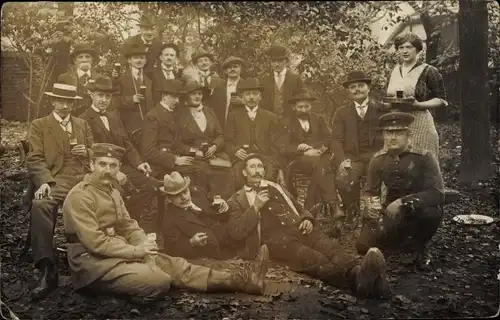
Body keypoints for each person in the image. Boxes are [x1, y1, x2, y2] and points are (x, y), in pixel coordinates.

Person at [62, 143, 270, 302]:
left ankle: (244, 281)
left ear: (118, 168)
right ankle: (112, 290)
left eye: (113, 165)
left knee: (175, 265)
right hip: (92, 263)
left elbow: (128, 224)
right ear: (91, 165)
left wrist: (144, 243)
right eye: (102, 164)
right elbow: (95, 242)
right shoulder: (80, 196)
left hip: (118, 252)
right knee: (158, 280)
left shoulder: (113, 192)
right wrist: (137, 252)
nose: (107, 170)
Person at [226, 154, 390, 298]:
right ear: (244, 172)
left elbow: (299, 207)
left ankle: (360, 271)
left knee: (331, 248)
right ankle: (357, 281)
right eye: (252, 167)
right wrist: (255, 207)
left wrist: (307, 219)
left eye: (260, 166)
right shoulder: (237, 199)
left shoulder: (276, 187)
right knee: (314, 258)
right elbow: (236, 232)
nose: (257, 170)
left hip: (300, 229)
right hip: (277, 242)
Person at [26, 83, 94, 301]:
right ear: (53, 101)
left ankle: (95, 261)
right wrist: (45, 182)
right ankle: (47, 268)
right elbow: (34, 158)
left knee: (109, 195)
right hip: (56, 180)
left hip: (83, 179)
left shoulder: (82, 124)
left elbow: (96, 151)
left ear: (74, 103)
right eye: (61, 101)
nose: (65, 106)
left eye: (70, 102)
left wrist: (88, 152)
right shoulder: (39, 125)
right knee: (41, 204)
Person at [356, 112, 445, 268]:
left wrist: (402, 202)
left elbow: (437, 193)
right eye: (389, 132)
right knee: (363, 245)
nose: (393, 137)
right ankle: (400, 238)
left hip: (418, 208)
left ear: (408, 135)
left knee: (431, 212)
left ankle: (420, 245)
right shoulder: (378, 160)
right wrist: (370, 207)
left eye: (399, 132)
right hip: (391, 210)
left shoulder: (424, 157)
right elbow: (370, 191)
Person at [79, 75, 154, 221]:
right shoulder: (84, 119)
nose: (103, 100)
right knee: (120, 193)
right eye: (100, 95)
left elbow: (126, 143)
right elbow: (90, 152)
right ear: (92, 95)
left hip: (122, 166)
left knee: (149, 186)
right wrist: (114, 172)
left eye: (107, 97)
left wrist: (139, 163)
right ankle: (115, 227)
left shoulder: (113, 116)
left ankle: (131, 224)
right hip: (102, 170)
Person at [331, 71, 386, 226]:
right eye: (353, 87)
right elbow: (336, 140)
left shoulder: (382, 109)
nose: (357, 90)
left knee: (377, 180)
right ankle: (352, 209)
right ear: (349, 91)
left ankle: (374, 213)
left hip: (376, 157)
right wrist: (342, 161)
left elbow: (388, 136)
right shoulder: (341, 113)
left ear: (368, 88)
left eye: (361, 86)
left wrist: (383, 155)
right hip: (352, 158)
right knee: (342, 179)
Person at [280, 91, 342, 218]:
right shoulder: (286, 122)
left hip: (318, 157)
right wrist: (299, 148)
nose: (304, 110)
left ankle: (309, 211)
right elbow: (283, 147)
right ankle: (333, 205)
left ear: (310, 106)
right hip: (298, 161)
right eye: (300, 107)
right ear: (294, 107)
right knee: (322, 165)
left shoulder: (319, 119)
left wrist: (316, 148)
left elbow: (328, 137)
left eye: (307, 106)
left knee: (320, 166)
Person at [385, 32, 448, 158]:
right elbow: (387, 96)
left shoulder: (429, 71)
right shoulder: (394, 71)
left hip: (420, 122)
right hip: (397, 124)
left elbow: (441, 100)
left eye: (409, 47)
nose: (404, 51)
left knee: (420, 162)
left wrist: (419, 105)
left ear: (418, 49)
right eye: (401, 48)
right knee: (396, 164)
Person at [175, 81, 234, 199]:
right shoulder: (180, 114)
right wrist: (193, 152)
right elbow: (176, 142)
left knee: (227, 172)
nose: (197, 96)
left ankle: (224, 205)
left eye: (200, 94)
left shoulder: (209, 111)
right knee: (205, 173)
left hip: (214, 155)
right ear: (187, 96)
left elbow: (220, 135)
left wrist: (215, 146)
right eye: (194, 94)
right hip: (193, 158)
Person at [161, 172, 238, 260]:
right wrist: (191, 242)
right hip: (217, 250)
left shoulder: (198, 195)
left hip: (230, 233)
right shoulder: (169, 219)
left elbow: (217, 212)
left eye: (185, 192)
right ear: (169, 199)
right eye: (177, 195)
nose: (184, 197)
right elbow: (170, 249)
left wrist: (224, 207)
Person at [224, 78, 284, 189]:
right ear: (242, 97)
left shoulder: (271, 117)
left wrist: (277, 165)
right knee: (238, 179)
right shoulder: (234, 116)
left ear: (260, 97)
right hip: (242, 159)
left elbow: (277, 145)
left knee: (268, 180)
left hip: (265, 158)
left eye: (255, 94)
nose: (251, 97)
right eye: (247, 94)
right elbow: (227, 141)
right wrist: (235, 150)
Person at [140, 79, 189, 177]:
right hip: (159, 166)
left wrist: (192, 151)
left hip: (172, 159)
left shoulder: (171, 113)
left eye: (178, 97)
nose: (177, 101)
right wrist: (174, 159)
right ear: (164, 96)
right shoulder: (153, 116)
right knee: (199, 170)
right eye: (174, 97)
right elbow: (148, 151)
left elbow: (174, 142)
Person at [117, 43, 154, 135]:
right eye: (136, 58)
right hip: (129, 126)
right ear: (129, 60)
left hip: (148, 126)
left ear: (145, 61)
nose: (139, 60)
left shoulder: (149, 80)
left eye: (142, 58)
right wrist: (131, 99)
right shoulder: (121, 79)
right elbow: (113, 101)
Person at [260, 45, 305, 119]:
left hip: (291, 122)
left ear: (286, 61)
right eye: (274, 61)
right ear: (270, 62)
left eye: (280, 61)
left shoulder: (295, 79)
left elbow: (303, 99)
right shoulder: (264, 80)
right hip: (270, 122)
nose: (277, 64)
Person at [58, 44, 101, 116]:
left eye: (87, 57)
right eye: (80, 57)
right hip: (72, 118)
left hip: (95, 120)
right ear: (74, 61)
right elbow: (60, 103)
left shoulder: (100, 78)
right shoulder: (65, 78)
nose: (84, 60)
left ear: (92, 60)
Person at [208, 56, 246, 128]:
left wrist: (243, 102)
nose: (232, 69)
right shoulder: (218, 87)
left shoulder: (247, 86)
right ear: (225, 71)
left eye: (235, 67)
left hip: (240, 128)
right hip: (221, 127)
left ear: (240, 69)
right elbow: (212, 108)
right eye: (229, 67)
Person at [121, 15, 163, 79]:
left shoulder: (159, 44)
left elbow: (161, 65)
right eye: (146, 29)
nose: (149, 32)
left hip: (152, 80)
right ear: (140, 30)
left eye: (152, 29)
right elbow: (123, 64)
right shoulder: (129, 43)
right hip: (133, 79)